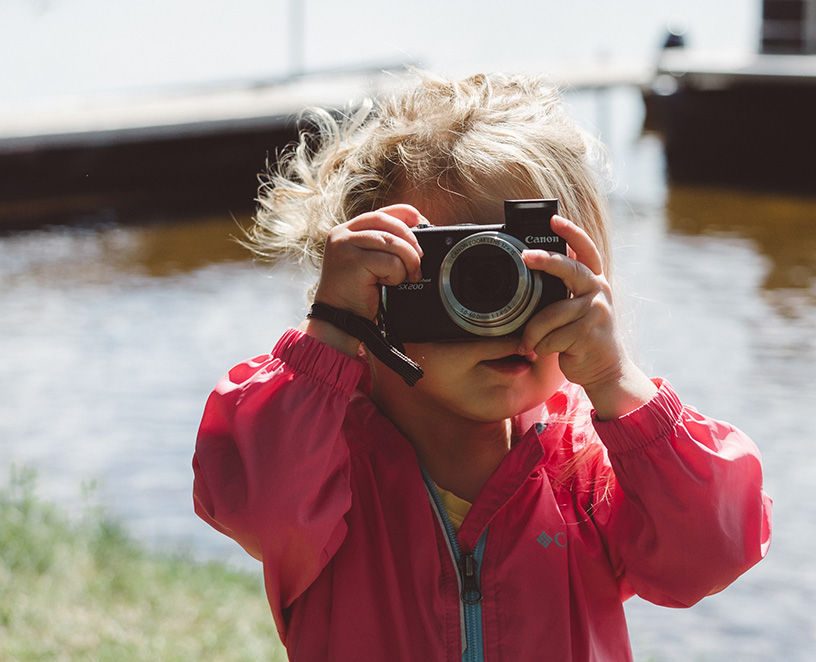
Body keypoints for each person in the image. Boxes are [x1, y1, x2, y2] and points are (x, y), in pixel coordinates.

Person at [193, 72, 772, 661]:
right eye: (463, 271)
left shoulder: (585, 469)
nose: (501, 312)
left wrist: (615, 382)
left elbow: (714, 553)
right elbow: (252, 508)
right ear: (376, 285)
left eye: (532, 273)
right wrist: (333, 332)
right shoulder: (324, 463)